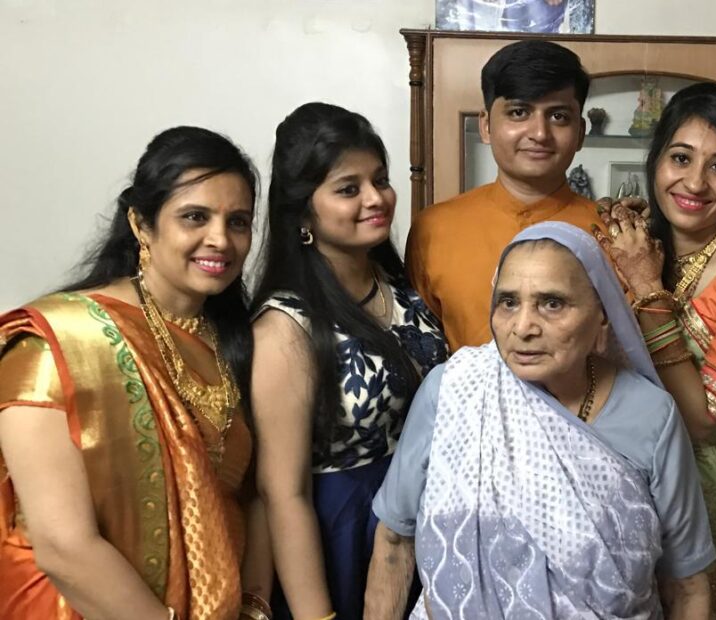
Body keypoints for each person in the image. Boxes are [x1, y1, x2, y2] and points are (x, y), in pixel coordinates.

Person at [364, 222, 716, 619]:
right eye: (508, 302)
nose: (523, 327)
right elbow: (394, 542)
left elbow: (686, 585)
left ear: (602, 315)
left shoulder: (650, 414)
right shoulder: (453, 390)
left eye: (552, 303)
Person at [0, 126, 269, 619]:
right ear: (141, 225)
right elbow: (63, 548)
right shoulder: (56, 344)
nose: (220, 239)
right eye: (195, 217)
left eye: (238, 222)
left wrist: (254, 608)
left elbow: (253, 498)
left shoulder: (234, 342)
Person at [250, 103, 447, 620]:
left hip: (423, 515)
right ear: (302, 212)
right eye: (348, 188)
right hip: (346, 533)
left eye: (379, 180)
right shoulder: (285, 327)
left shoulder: (396, 284)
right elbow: (284, 494)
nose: (375, 198)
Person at [595, 82, 716, 619]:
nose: (695, 182)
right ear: (656, 162)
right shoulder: (627, 243)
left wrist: (647, 291)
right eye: (680, 158)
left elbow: (700, 420)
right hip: (614, 488)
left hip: (710, 503)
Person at [405, 39, 605, 351]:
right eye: (519, 112)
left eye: (558, 116)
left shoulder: (611, 234)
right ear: (486, 126)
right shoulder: (434, 228)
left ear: (580, 132)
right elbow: (421, 349)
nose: (539, 133)